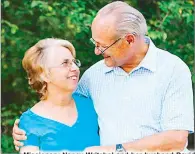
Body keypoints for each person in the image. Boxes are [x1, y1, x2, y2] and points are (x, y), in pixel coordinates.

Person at [12, 1, 194, 152]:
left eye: (102, 45)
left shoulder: (173, 70)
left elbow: (177, 139)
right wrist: (28, 127)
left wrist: (116, 149)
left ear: (129, 40)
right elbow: (59, 102)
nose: (97, 51)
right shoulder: (94, 76)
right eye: (95, 43)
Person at [16, 38, 100, 153]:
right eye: (65, 63)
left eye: (74, 62)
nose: (75, 68)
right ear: (44, 75)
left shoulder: (90, 105)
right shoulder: (29, 122)